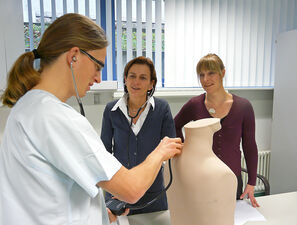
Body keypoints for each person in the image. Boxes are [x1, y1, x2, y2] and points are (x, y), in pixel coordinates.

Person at [0, 13, 182, 225]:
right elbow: (131, 190)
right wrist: (160, 152)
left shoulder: (27, 107)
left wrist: (101, 213)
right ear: (74, 56)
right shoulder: (54, 116)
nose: (98, 78)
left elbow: (53, 192)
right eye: (97, 66)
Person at [174, 53, 260, 207]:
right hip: (201, 179)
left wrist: (252, 182)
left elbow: (249, 146)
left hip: (232, 179)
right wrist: (184, 149)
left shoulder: (243, 107)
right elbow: (174, 125)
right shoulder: (195, 105)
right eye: (201, 75)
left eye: (211, 73)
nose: (206, 79)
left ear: (223, 73)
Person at [101, 56, 175, 225]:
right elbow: (105, 152)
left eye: (143, 78)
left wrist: (153, 169)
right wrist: (112, 185)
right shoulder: (111, 110)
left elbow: (169, 147)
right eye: (132, 76)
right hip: (117, 194)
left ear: (151, 84)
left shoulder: (162, 109)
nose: (136, 82)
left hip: (153, 194)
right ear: (125, 79)